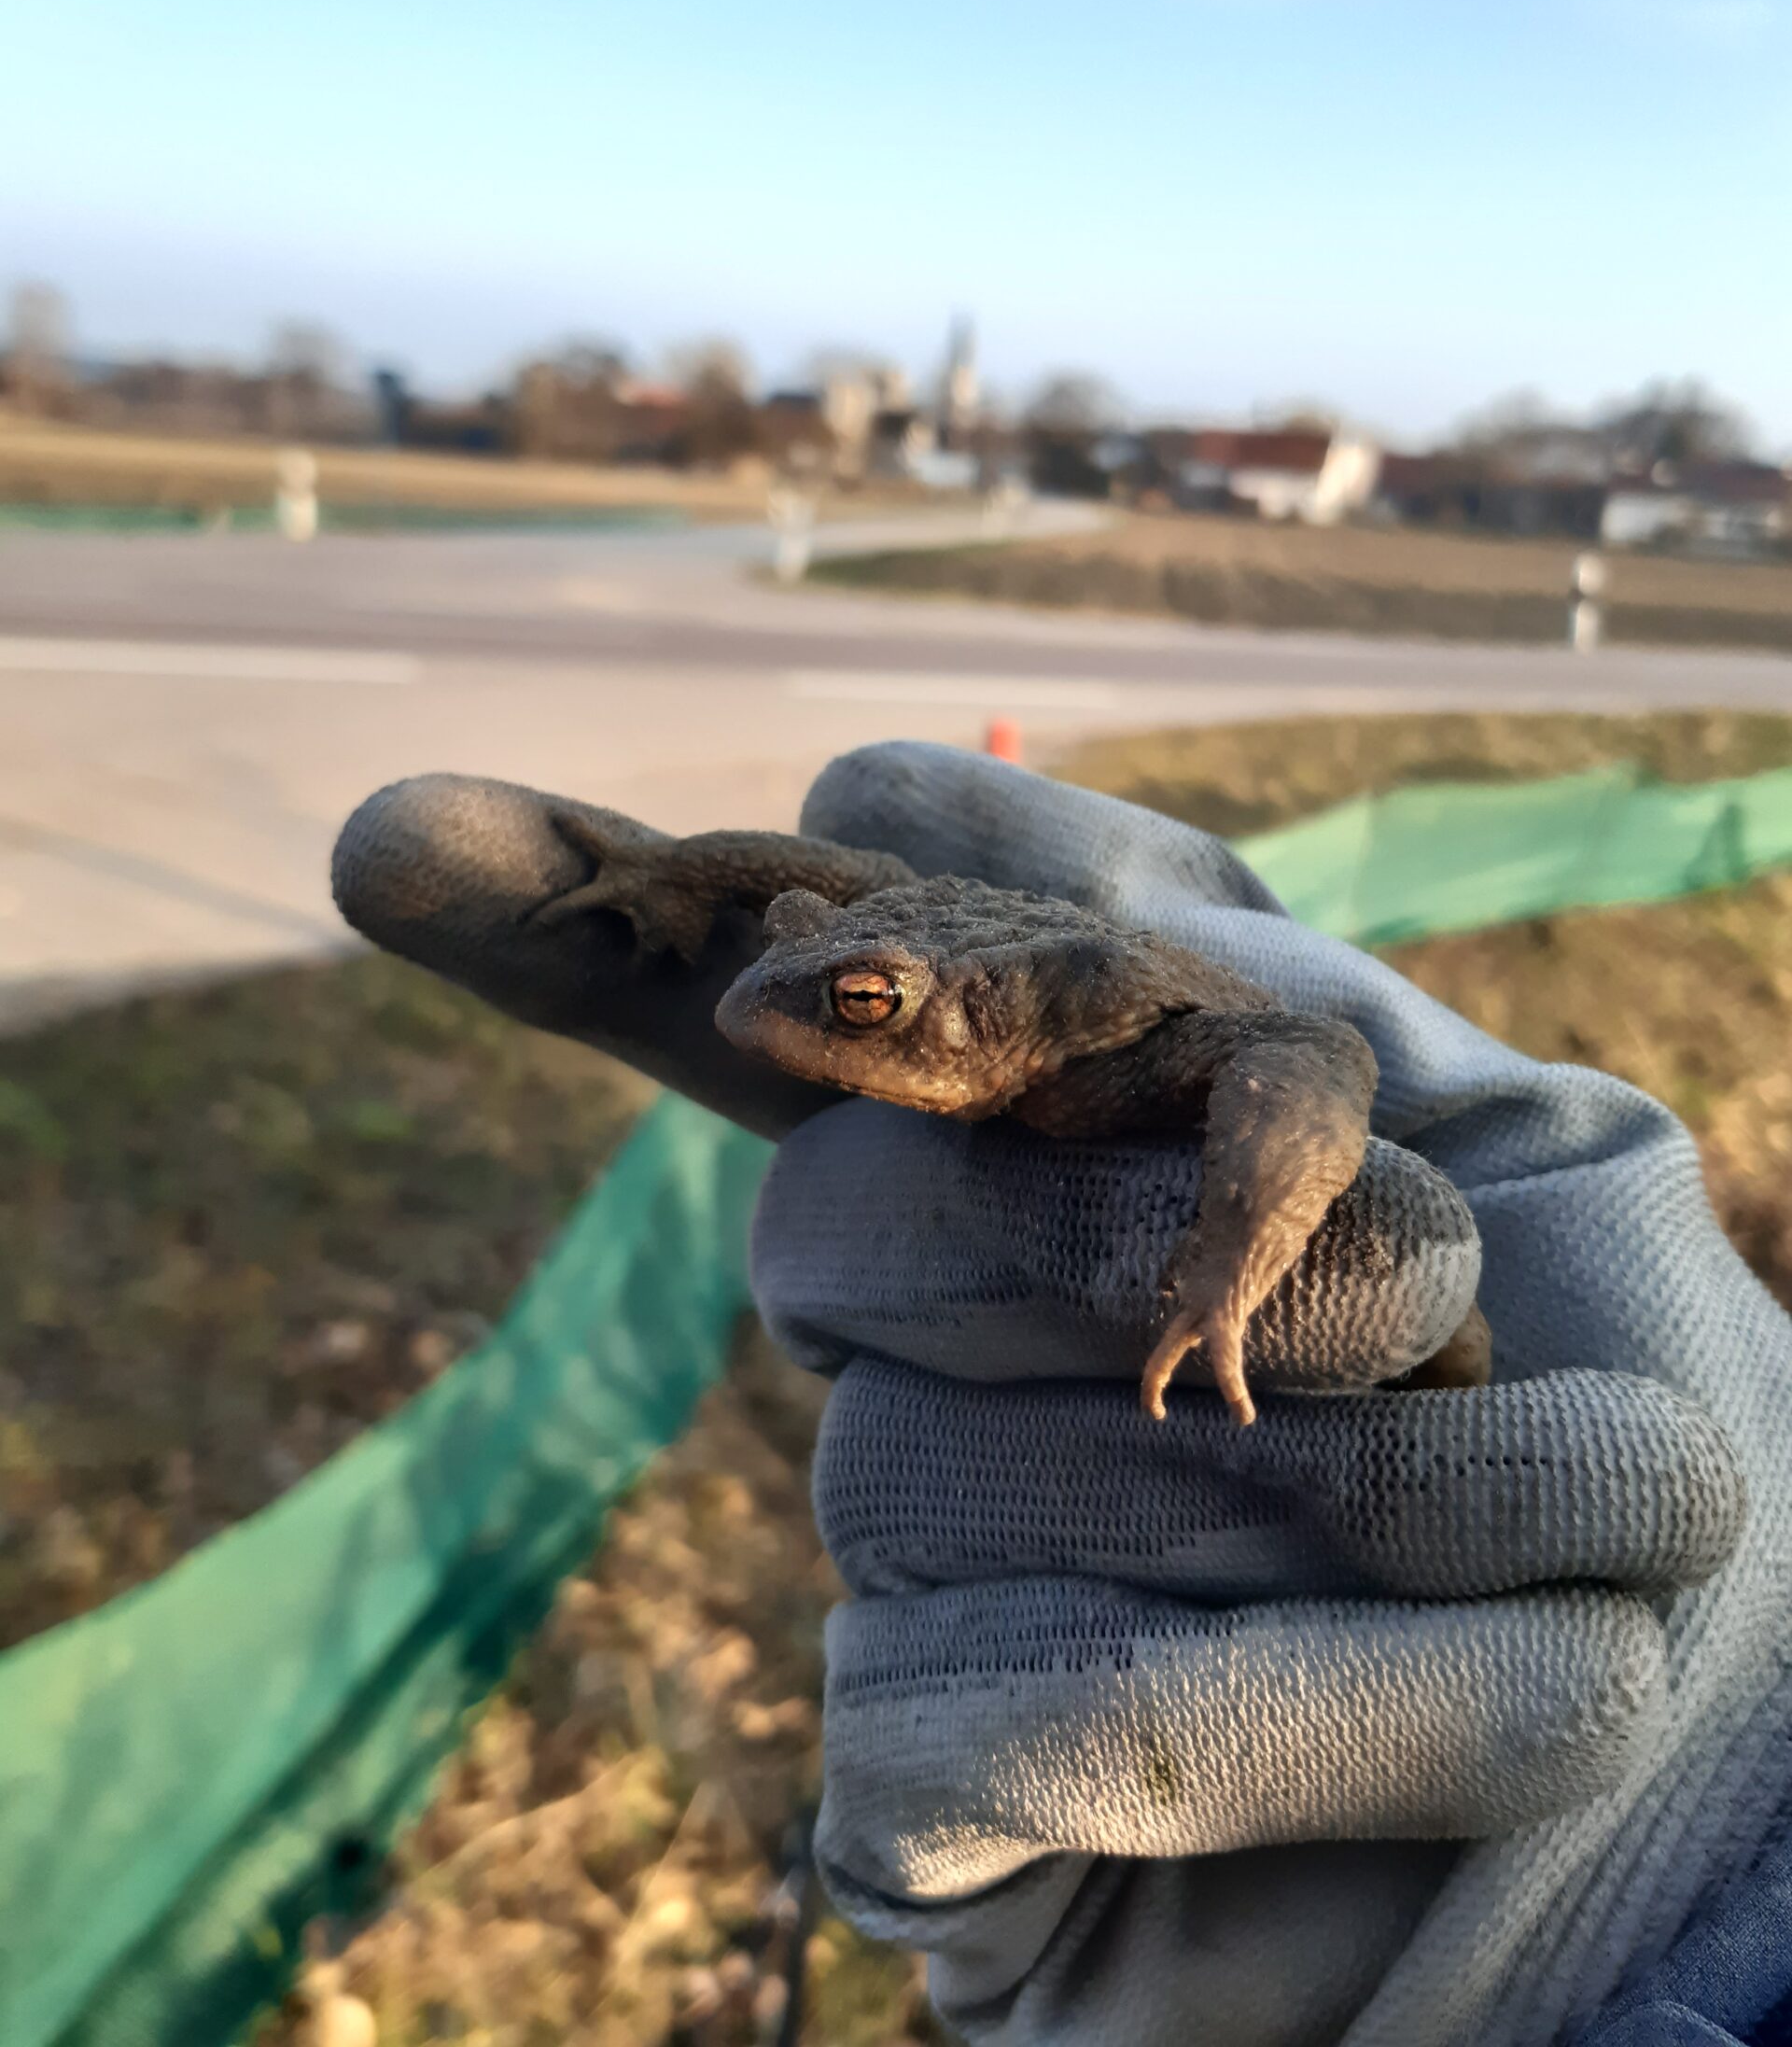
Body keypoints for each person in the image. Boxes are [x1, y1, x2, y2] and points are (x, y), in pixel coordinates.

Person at [332, 739, 1792, 2046]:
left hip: (1320, 1219)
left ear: (962, 1017)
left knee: (1386, 1356)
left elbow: (1305, 1052)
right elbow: (836, 879)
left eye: (862, 1006)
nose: (816, 1010)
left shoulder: (1095, 1040)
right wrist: (663, 870)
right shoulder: (883, 950)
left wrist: (1241, 1245)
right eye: (843, 986)